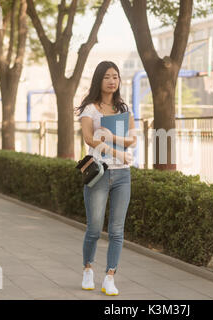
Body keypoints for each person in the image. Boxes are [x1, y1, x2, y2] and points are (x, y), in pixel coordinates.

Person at [74, 61, 137, 296]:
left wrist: (114, 139)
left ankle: (110, 276)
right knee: (93, 228)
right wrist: (116, 152)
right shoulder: (90, 109)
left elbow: (133, 139)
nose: (112, 81)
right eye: (107, 77)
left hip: (122, 175)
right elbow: (89, 139)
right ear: (99, 80)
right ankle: (88, 268)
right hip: (99, 172)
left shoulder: (123, 109)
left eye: (116, 77)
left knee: (117, 230)